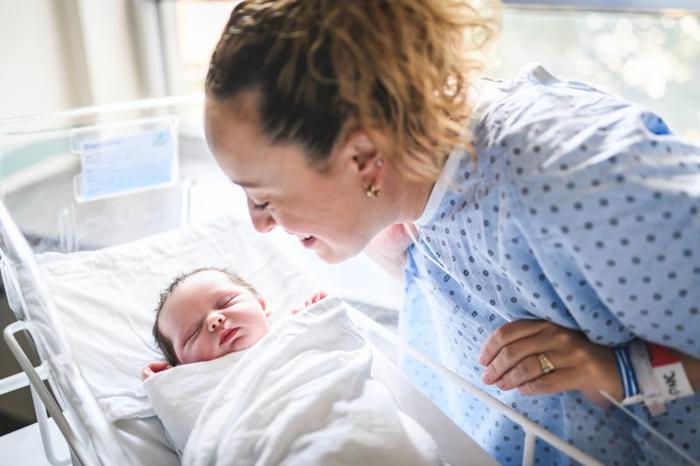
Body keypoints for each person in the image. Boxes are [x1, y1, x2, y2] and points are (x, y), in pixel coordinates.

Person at [201, 1, 700, 464]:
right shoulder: (412, 178)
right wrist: (391, 247)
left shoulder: (569, 177)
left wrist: (620, 372)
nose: (259, 223)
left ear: (362, 158)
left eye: (264, 197)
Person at [143, 267, 326, 379]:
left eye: (227, 302)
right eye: (193, 333)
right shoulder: (199, 380)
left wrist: (318, 315)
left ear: (260, 305)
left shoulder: (293, 328)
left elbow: (336, 339)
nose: (214, 320)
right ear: (181, 366)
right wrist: (166, 385)